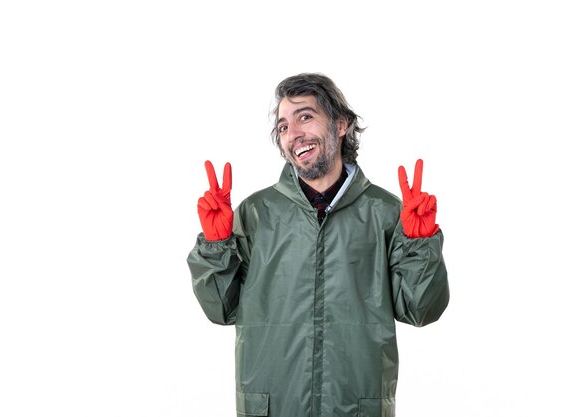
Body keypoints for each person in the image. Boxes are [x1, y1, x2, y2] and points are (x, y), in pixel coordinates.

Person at [187, 73, 449, 417]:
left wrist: (420, 244)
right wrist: (216, 245)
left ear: (341, 124)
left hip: (355, 407)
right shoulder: (255, 214)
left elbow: (421, 310)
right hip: (272, 406)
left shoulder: (384, 213)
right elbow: (221, 309)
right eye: (283, 126)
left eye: (305, 117)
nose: (293, 134)